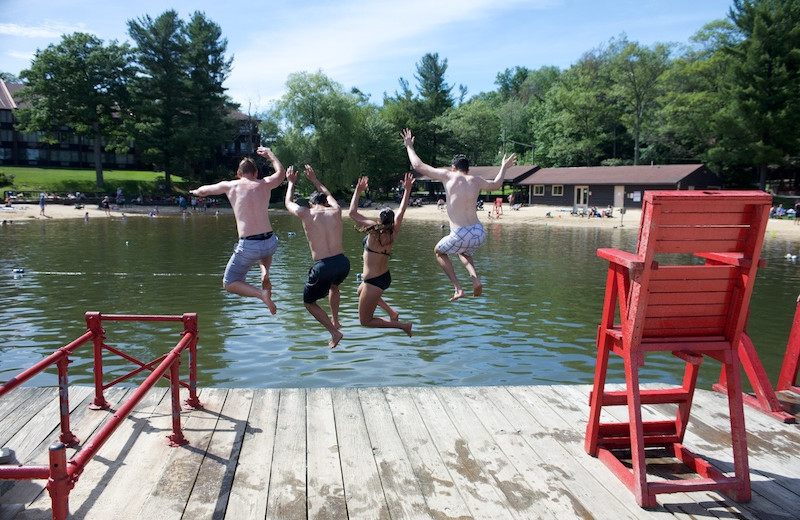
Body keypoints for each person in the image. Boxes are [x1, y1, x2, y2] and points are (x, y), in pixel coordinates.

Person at [401, 128, 516, 301]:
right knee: (464, 252)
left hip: (460, 233)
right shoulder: (476, 180)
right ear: (468, 169)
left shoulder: (449, 176)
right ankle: (474, 278)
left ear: (453, 167)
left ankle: (457, 288)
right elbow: (496, 185)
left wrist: (409, 146)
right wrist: (503, 167)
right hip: (479, 232)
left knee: (439, 252)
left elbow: (418, 166)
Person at [190, 147, 286, 314]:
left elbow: (205, 190)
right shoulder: (265, 184)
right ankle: (265, 271)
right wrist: (270, 154)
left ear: (238, 173)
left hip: (249, 245)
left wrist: (196, 192)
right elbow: (281, 173)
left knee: (229, 282)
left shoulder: (231, 186)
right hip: (271, 241)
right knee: (265, 250)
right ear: (256, 173)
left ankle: (261, 294)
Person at [285, 164, 350, 348]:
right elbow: (327, 192)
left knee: (309, 302)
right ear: (326, 202)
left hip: (323, 266)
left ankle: (334, 332)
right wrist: (314, 179)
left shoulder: (307, 214)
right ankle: (335, 320)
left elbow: (288, 203)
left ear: (312, 204)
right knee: (334, 286)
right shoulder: (336, 210)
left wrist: (291, 183)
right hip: (343, 263)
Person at [349, 173, 414, 337]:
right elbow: (402, 209)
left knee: (365, 321)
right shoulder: (394, 230)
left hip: (373, 281)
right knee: (359, 290)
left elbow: (352, 213)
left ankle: (402, 326)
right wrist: (407, 189)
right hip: (384, 277)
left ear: (379, 220)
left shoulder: (373, 230)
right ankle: (391, 312)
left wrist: (358, 190)